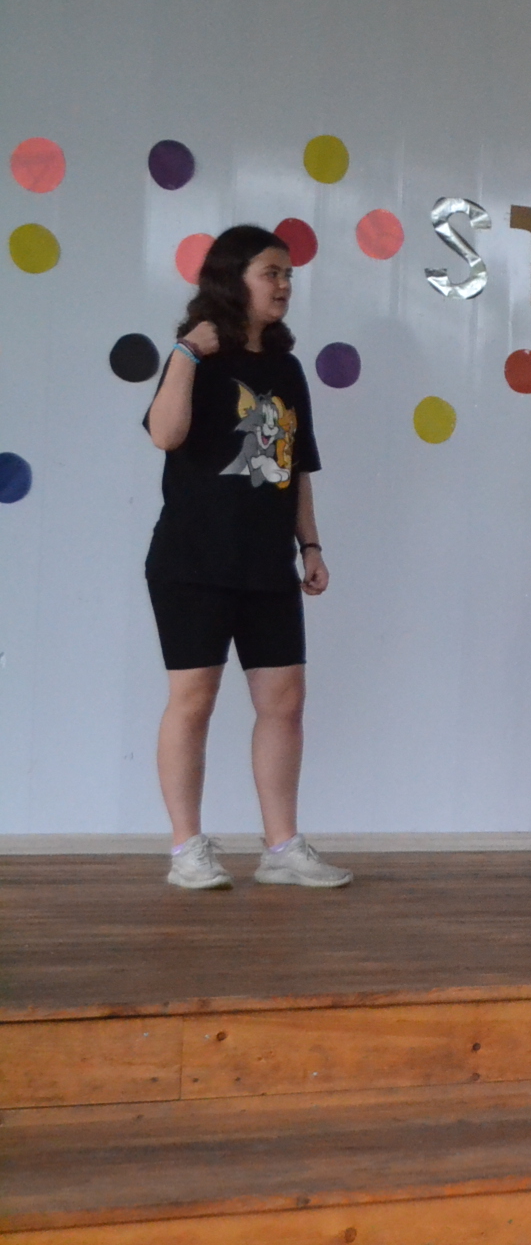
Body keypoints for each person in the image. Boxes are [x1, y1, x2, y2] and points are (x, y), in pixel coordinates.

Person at [142, 224, 350, 890]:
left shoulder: (286, 369)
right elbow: (165, 434)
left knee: (284, 702)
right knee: (193, 700)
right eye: (271, 273)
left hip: (267, 563)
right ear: (234, 279)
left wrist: (310, 545)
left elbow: (296, 468)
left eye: (289, 274)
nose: (284, 285)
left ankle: (281, 847)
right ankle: (187, 848)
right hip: (192, 560)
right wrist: (185, 353)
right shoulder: (197, 355)